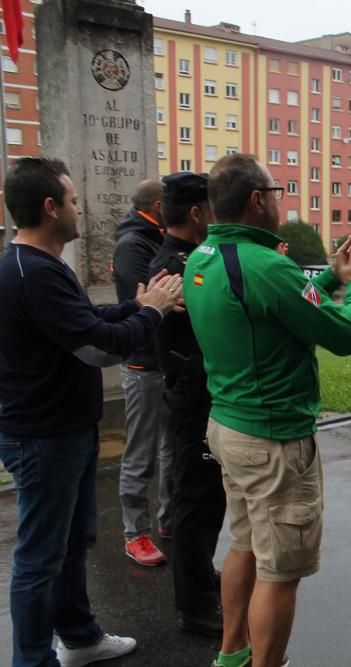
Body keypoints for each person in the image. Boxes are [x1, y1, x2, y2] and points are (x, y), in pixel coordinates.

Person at [184, 153, 351, 667]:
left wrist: (332, 278)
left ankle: (231, 654)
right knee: (279, 570)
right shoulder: (268, 265)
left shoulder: (205, 256)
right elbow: (343, 335)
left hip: (229, 427)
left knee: (244, 544)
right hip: (273, 441)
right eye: (275, 193)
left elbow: (274, 308)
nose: (279, 201)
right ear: (257, 201)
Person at [0, 157, 183, 666]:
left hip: (66, 430)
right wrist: (152, 312)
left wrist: (134, 305)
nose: (82, 209)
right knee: (39, 558)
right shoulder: (31, 272)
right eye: (75, 200)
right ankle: (32, 660)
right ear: (50, 207)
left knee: (71, 543)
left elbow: (85, 319)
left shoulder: (41, 265)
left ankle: (79, 638)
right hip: (44, 437)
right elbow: (99, 348)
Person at [149, 172, 226, 637]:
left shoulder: (181, 261)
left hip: (193, 395)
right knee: (194, 502)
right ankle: (195, 607)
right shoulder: (177, 269)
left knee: (202, 498)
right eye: (211, 208)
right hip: (193, 398)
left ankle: (200, 577)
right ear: (197, 213)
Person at [112, 178, 173, 567]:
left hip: (164, 360)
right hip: (143, 363)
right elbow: (149, 296)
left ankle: (168, 521)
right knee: (140, 453)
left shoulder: (155, 237)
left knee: (171, 449)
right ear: (157, 205)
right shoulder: (132, 245)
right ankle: (135, 534)